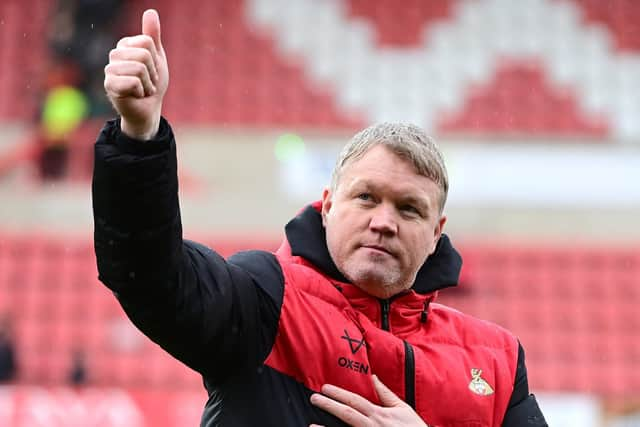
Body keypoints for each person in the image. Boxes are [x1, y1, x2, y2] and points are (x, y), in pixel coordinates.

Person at [93, 9, 547, 427]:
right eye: (367, 198)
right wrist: (139, 136)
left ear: (436, 234)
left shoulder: (497, 361)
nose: (384, 221)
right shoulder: (267, 299)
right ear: (327, 207)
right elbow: (147, 273)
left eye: (409, 208)